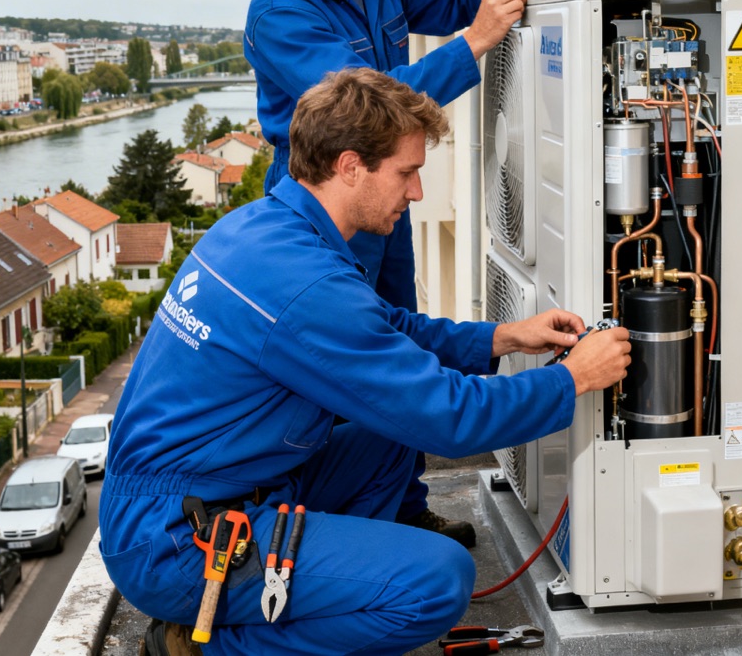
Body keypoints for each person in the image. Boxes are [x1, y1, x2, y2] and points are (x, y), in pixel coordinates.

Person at [101, 69, 631, 656]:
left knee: (388, 440)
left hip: (204, 496)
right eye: (407, 172)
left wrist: (501, 337)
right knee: (437, 582)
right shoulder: (305, 285)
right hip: (177, 541)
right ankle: (204, 645)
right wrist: (573, 379)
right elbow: (449, 418)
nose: (417, 192)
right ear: (351, 166)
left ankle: (326, 590)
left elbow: (382, 331)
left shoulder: (265, 228)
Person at [245, 0, 557, 544]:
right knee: (339, 374)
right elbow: (372, 110)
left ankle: (406, 514)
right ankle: (331, 535)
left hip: (377, 203)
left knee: (400, 356)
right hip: (325, 209)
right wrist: (475, 42)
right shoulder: (281, 11)